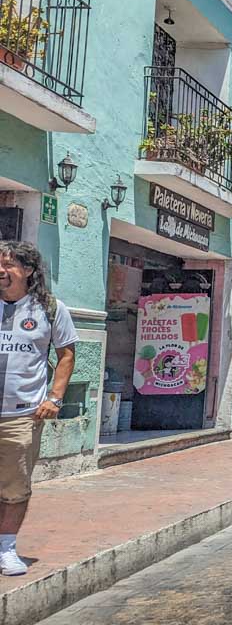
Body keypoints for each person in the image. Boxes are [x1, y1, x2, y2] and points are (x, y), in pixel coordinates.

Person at [0, 241, 78, 576]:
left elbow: (67, 354)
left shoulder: (49, 308)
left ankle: (6, 548)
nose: (1, 271)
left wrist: (54, 398)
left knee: (14, 487)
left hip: (21, 415)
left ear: (28, 271)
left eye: (8, 264)